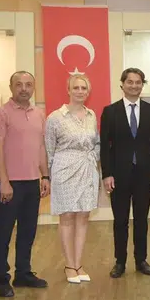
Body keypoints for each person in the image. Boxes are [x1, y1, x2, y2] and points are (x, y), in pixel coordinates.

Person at [0, 71, 50, 298]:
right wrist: (4, 181)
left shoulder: (39, 114)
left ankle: (23, 273)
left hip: (32, 183)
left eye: (28, 84)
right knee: (4, 233)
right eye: (19, 84)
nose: (24, 89)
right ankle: (2, 278)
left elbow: (40, 147)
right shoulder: (1, 114)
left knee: (28, 231)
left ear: (33, 87)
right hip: (8, 184)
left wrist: (45, 176)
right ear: (11, 87)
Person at [100, 68, 150, 278]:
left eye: (138, 82)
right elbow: (105, 147)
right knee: (120, 221)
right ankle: (120, 262)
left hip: (145, 174)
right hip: (118, 175)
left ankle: (141, 259)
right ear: (122, 84)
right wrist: (107, 174)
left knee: (141, 219)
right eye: (130, 82)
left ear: (142, 85)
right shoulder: (110, 111)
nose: (134, 86)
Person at [46, 74, 101, 284]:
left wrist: (93, 160)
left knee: (84, 216)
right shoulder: (55, 117)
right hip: (64, 171)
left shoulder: (91, 115)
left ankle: (78, 264)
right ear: (68, 90)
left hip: (87, 169)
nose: (80, 91)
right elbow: (49, 149)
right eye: (76, 87)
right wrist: (49, 176)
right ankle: (69, 265)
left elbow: (96, 143)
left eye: (83, 88)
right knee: (67, 217)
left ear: (88, 91)